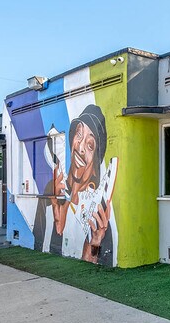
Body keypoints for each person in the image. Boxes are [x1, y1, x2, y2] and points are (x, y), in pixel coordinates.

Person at [33, 105, 114, 265]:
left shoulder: (98, 215)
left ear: (96, 162)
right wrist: (55, 223)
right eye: (79, 134)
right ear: (71, 140)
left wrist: (94, 244)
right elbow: (37, 245)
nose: (81, 147)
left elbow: (96, 263)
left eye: (90, 145)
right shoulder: (51, 192)